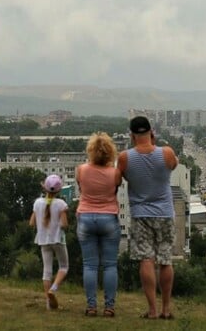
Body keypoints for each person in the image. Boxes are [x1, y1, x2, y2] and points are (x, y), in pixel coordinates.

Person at [117, 116, 178, 320]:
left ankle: (152, 310)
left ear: (132, 135)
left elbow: (122, 178)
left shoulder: (125, 157)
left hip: (140, 213)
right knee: (165, 260)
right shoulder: (167, 153)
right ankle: (166, 309)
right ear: (151, 132)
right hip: (165, 213)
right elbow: (173, 166)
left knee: (146, 259)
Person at [75, 132, 122, 317]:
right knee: (110, 265)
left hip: (86, 218)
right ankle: (109, 307)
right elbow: (115, 189)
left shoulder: (81, 170)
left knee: (90, 266)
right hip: (109, 218)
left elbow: (81, 187)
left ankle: (91, 306)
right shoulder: (115, 173)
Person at [29, 174, 69, 310]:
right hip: (58, 239)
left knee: (47, 271)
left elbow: (31, 223)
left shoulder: (37, 203)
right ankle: (54, 288)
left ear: (44, 188)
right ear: (58, 190)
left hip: (43, 240)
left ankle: (48, 304)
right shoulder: (61, 204)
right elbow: (64, 224)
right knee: (63, 267)